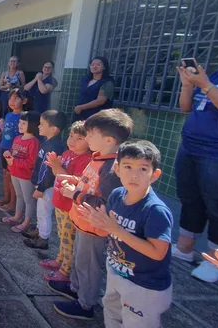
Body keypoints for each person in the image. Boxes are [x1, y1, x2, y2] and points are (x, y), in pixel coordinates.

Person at [77, 140, 173, 328]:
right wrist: (96, 220)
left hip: (144, 286)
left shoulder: (155, 211)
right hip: (116, 271)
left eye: (143, 169)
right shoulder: (117, 195)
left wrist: (116, 230)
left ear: (155, 175)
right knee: (112, 314)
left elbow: (158, 253)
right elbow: (109, 228)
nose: (134, 175)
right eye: (128, 167)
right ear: (118, 169)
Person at [50, 108, 133, 320]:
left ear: (108, 140)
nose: (86, 138)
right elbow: (90, 184)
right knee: (79, 260)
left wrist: (75, 193)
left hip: (93, 226)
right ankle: (75, 289)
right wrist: (76, 182)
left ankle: (85, 304)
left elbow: (103, 203)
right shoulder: (98, 157)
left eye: (90, 134)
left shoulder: (112, 168)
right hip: (82, 222)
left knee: (89, 266)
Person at [170, 60, 218, 283]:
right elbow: (186, 107)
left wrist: (205, 84)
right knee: (190, 199)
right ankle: (184, 247)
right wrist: (188, 85)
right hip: (190, 146)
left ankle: (216, 260)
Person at [40, 121, 91, 283]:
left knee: (69, 239)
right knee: (62, 235)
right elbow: (58, 173)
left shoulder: (86, 159)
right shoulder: (68, 153)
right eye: (71, 136)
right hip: (60, 203)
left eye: (79, 138)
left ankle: (65, 271)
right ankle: (60, 259)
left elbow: (71, 181)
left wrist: (57, 168)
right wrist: (55, 166)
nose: (72, 141)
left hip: (71, 207)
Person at [22, 110, 66, 249]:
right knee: (40, 212)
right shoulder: (47, 142)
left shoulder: (54, 146)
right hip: (42, 185)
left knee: (44, 213)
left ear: (54, 129)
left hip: (47, 187)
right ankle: (40, 232)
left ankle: (43, 239)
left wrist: (41, 187)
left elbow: (48, 171)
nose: (39, 127)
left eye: (42, 124)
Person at [2, 111, 40, 234]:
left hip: (26, 176)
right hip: (15, 173)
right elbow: (13, 152)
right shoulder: (17, 138)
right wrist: (8, 154)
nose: (20, 125)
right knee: (19, 196)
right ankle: (17, 216)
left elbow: (31, 162)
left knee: (28, 199)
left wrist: (14, 161)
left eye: (24, 123)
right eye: (20, 122)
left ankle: (26, 222)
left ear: (33, 125)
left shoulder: (34, 142)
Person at [0, 88, 31, 212]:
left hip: (14, 151)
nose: (12, 101)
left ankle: (13, 202)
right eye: (10, 98)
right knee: (5, 174)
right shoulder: (8, 114)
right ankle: (6, 198)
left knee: (12, 177)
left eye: (16, 98)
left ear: (25, 101)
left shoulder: (25, 117)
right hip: (4, 147)